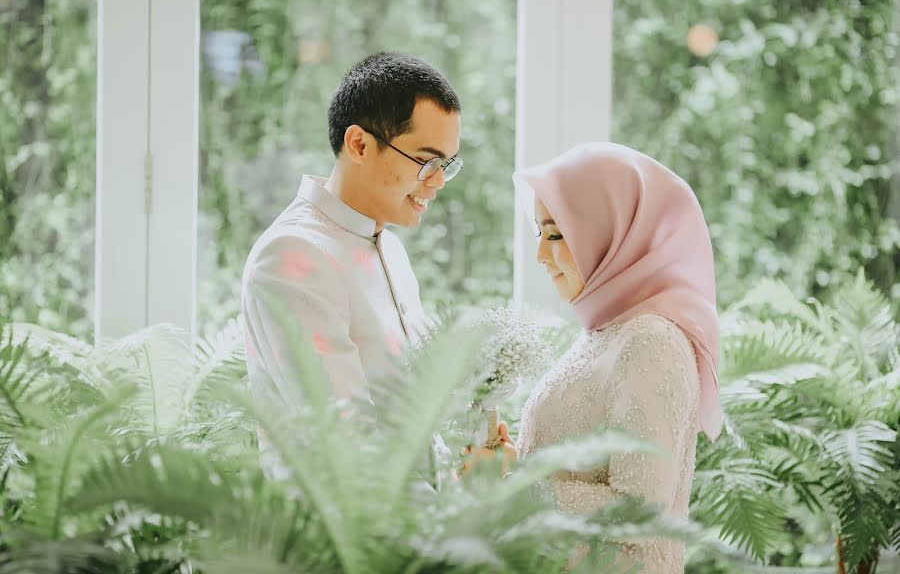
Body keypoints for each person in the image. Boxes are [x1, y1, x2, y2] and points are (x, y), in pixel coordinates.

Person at [494, 142, 723, 572]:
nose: (540, 255)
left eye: (556, 234)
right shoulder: (606, 333)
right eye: (538, 234)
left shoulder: (651, 340)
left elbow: (638, 508)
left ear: (610, 231)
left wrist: (516, 487)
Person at [241, 52, 462, 483]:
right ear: (358, 144)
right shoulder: (293, 255)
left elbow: (411, 425)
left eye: (446, 166)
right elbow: (345, 444)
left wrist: (463, 480)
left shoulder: (390, 248)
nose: (437, 181)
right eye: (426, 161)